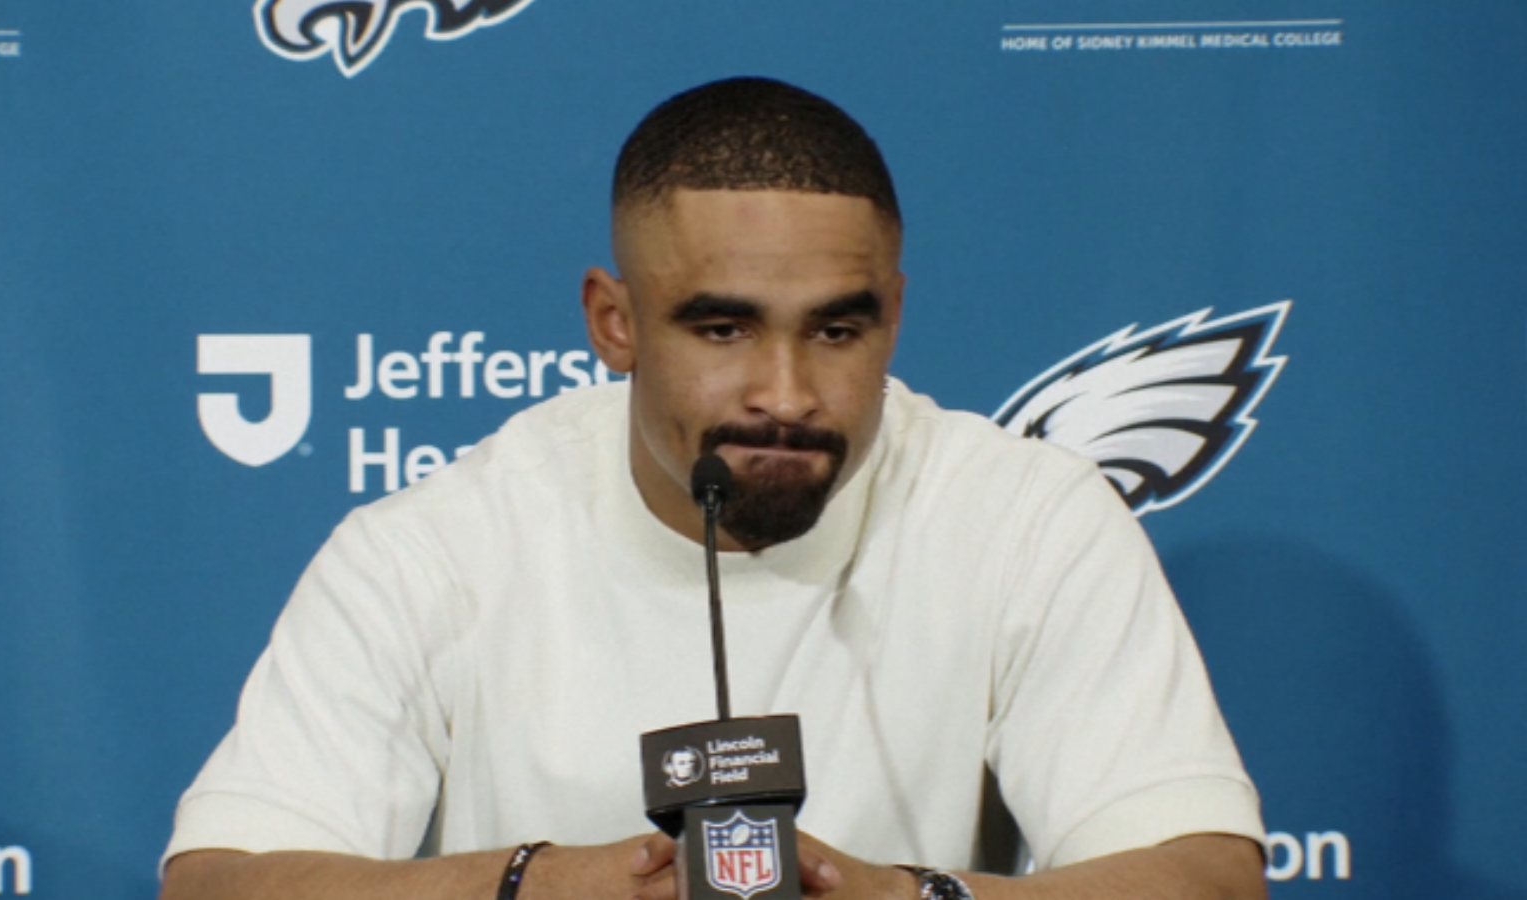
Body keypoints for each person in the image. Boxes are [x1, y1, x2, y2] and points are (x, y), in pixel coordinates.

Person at [159, 77, 1267, 900]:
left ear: (893, 314)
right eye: (723, 328)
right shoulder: (433, 546)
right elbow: (219, 884)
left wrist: (906, 899)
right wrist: (532, 886)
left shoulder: (1027, 518)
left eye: (837, 329)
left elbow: (1203, 877)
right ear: (615, 322)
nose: (785, 394)